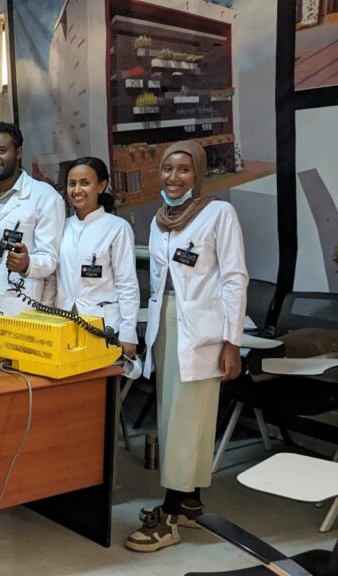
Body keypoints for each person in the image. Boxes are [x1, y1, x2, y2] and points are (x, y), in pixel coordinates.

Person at [125, 141, 248, 553]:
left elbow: (234, 279)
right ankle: (191, 502)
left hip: (201, 330)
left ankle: (169, 517)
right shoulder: (160, 220)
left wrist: (232, 342)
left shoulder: (218, 213)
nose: (173, 178)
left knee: (185, 419)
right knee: (174, 415)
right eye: (167, 169)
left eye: (183, 170)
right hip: (166, 322)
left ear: (198, 173)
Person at [0, 122, 65, 346]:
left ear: (18, 152)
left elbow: (50, 257)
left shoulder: (44, 197)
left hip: (20, 301)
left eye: (1, 151)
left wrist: (28, 263)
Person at [55, 157, 140, 358]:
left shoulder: (117, 228)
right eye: (72, 184)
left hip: (104, 326)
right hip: (64, 324)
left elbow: (127, 283)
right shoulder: (61, 227)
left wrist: (128, 333)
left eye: (85, 183)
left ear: (101, 186)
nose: (77, 190)